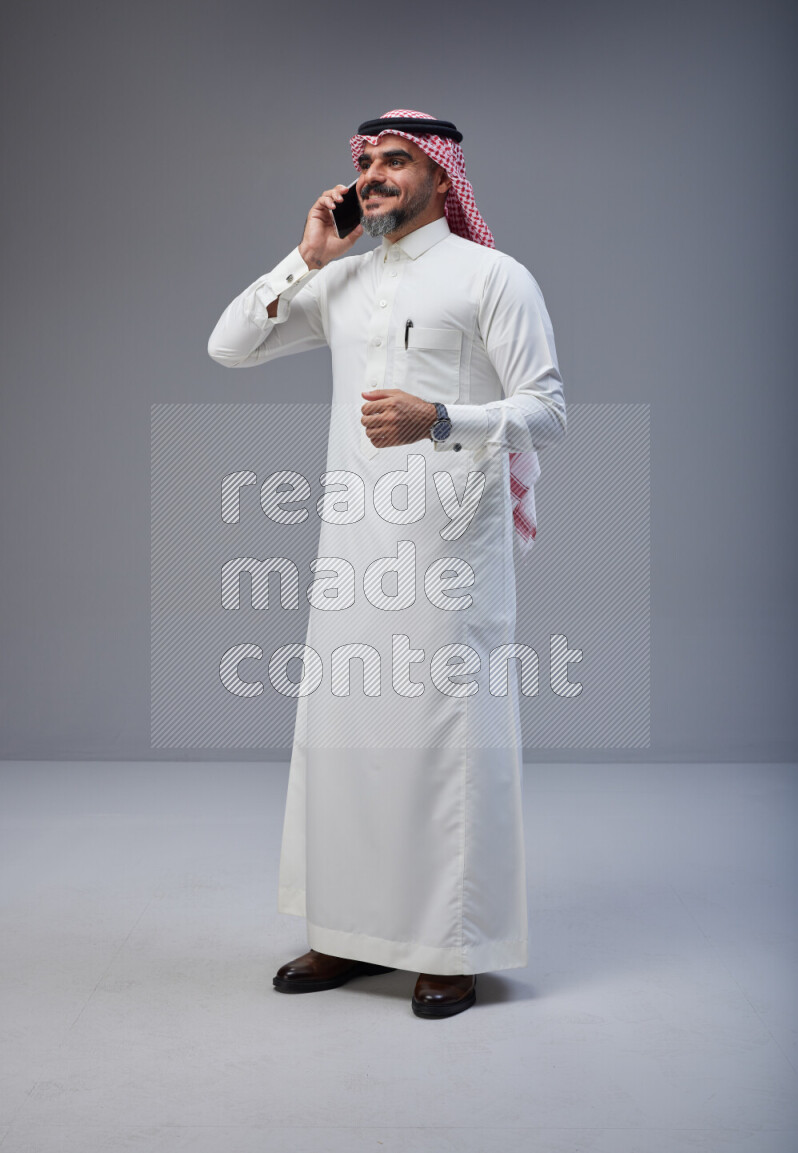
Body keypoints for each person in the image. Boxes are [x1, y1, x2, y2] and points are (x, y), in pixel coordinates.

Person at [207, 109, 566, 1018]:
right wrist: (307, 259)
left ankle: (450, 945)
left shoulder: (494, 276)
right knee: (347, 743)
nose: (374, 176)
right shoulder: (342, 282)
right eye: (366, 162)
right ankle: (346, 934)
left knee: (444, 745)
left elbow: (548, 410)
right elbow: (229, 346)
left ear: (443, 179)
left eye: (396, 161)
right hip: (350, 554)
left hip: (449, 554)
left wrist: (442, 418)